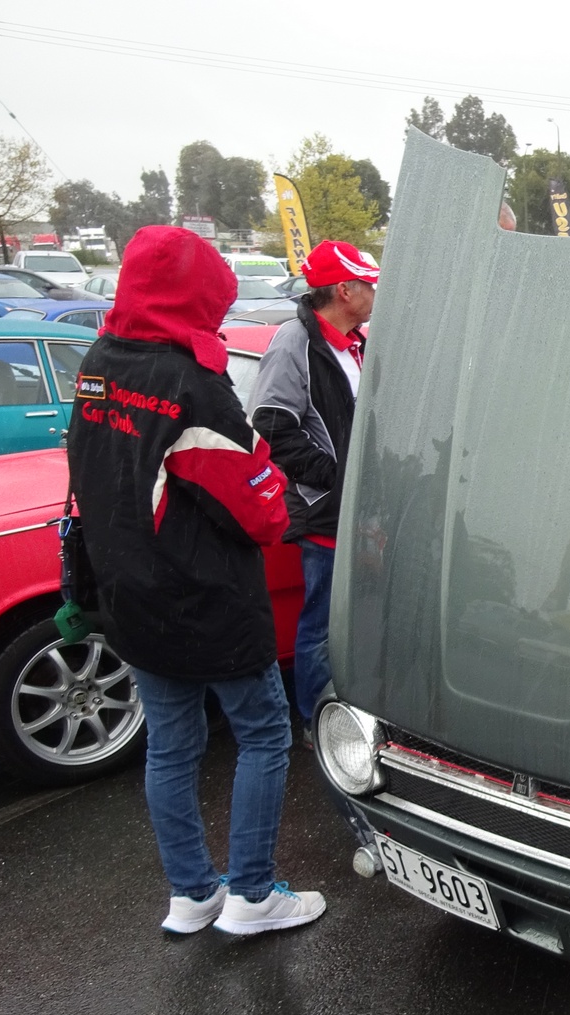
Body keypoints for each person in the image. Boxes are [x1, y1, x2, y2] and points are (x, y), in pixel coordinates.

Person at [67, 225, 326, 935]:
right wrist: (266, 468)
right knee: (265, 735)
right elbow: (261, 513)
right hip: (207, 600)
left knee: (172, 746)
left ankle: (191, 894)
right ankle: (252, 895)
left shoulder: (100, 359)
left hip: (130, 596)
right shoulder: (194, 384)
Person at [248, 240, 379, 736]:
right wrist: (335, 477)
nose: (376, 294)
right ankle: (315, 723)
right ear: (344, 290)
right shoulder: (294, 341)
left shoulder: (357, 341)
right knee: (323, 626)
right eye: (369, 285)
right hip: (325, 509)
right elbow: (271, 426)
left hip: (363, 509)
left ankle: (356, 712)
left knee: (358, 622)